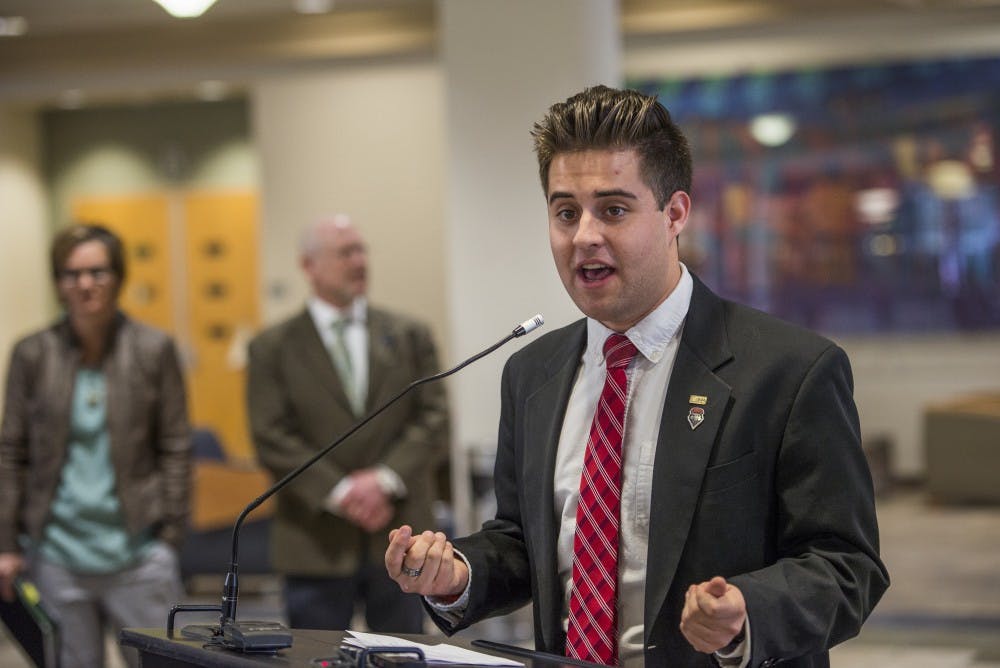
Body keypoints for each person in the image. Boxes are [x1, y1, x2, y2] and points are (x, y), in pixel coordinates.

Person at [384, 85, 889, 667]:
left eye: (614, 210)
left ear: (675, 214)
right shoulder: (532, 373)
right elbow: (526, 543)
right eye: (565, 212)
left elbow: (847, 565)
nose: (585, 237)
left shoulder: (790, 370)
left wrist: (747, 611)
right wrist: (458, 574)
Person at [0, 223, 191, 668]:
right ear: (58, 282)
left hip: (139, 553)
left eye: (97, 271)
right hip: (57, 555)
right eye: (72, 273)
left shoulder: (153, 349)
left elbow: (176, 447)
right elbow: (11, 453)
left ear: (118, 276)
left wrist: (170, 536)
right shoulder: (32, 353)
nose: (85, 284)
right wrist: (6, 542)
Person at [247, 214, 449, 633]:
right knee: (315, 660)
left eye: (361, 250)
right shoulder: (272, 348)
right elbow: (271, 436)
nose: (359, 262)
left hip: (402, 535)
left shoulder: (409, 334)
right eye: (344, 253)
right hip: (314, 540)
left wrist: (383, 481)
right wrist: (341, 492)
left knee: (403, 657)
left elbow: (434, 418)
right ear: (309, 266)